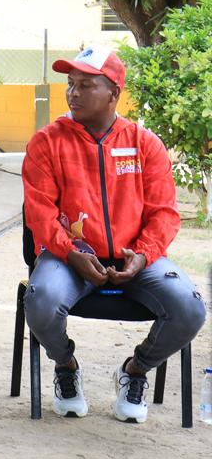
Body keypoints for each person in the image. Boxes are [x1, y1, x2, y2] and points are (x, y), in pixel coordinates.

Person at [21, 46, 205, 423]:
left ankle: (135, 370)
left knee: (190, 309)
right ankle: (66, 365)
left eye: (85, 85)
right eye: (70, 84)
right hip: (69, 259)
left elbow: (164, 213)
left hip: (134, 261)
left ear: (114, 93)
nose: (73, 93)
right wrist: (69, 252)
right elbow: (40, 212)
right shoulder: (47, 142)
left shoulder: (144, 143)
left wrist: (142, 255)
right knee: (40, 301)